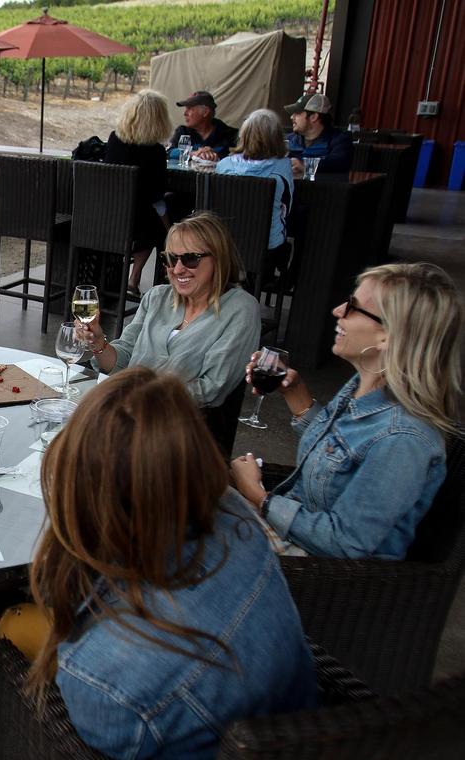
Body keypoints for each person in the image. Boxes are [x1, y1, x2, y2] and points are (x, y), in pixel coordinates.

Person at [26, 367, 316, 757]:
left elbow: (76, 721)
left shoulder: (103, 676)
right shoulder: (233, 512)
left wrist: (13, 658)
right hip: (302, 727)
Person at [231, 263, 462, 559]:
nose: (338, 310)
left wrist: (259, 497)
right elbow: (339, 451)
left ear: (387, 337)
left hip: (317, 573)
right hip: (288, 533)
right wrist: (295, 393)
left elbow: (345, 544)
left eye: (353, 306)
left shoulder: (404, 438)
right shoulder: (363, 388)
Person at [80, 212, 260, 409]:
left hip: (177, 427)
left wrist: (140, 397)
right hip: (126, 410)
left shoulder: (240, 309)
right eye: (171, 259)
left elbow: (210, 388)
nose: (178, 269)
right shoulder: (157, 297)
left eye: (191, 259)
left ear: (218, 259)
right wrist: (98, 342)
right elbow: (121, 363)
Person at [104, 89, 172, 297]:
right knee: (159, 226)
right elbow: (157, 199)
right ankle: (135, 279)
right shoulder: (156, 152)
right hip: (135, 226)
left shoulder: (114, 140)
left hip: (105, 219)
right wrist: (171, 229)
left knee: (149, 219)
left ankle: (119, 278)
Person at [215, 109, 294, 279]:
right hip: (266, 247)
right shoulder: (282, 167)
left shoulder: (224, 165)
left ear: (243, 135)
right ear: (277, 138)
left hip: (222, 243)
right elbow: (287, 208)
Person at [285, 92, 353, 176]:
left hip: (323, 188)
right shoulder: (288, 140)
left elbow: (338, 163)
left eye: (297, 113)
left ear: (313, 117)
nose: (292, 117)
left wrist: (305, 165)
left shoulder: (340, 141)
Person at [168, 90, 239, 161]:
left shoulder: (230, 134)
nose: (185, 113)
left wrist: (214, 153)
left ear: (205, 112)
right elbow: (169, 152)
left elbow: (240, 156)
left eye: (189, 109)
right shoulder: (183, 131)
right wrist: (193, 153)